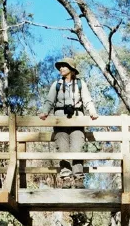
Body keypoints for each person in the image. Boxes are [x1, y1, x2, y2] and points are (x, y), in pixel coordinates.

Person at [39, 57, 99, 188]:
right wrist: (44, 112)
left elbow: (87, 100)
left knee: (78, 148)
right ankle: (66, 177)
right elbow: (49, 100)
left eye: (64, 66)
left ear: (71, 69)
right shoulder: (56, 84)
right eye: (60, 66)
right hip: (60, 120)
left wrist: (92, 112)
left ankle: (78, 178)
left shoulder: (80, 84)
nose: (61, 68)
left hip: (77, 119)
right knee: (62, 148)